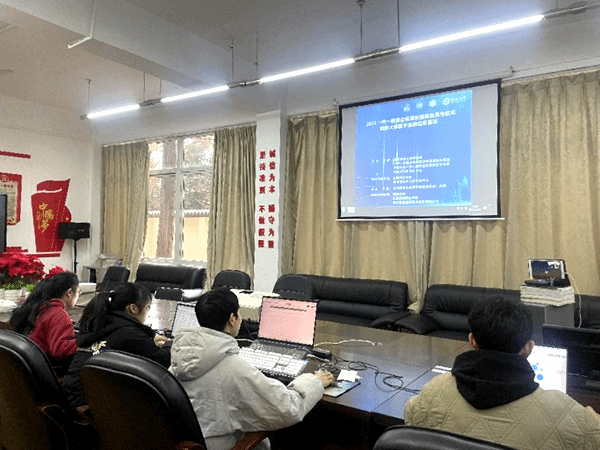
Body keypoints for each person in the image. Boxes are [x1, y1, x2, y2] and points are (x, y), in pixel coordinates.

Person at [404, 297, 600, 450]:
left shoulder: (435, 390)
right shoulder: (568, 414)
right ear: (528, 348)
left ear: (472, 340)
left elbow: (410, 417)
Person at [169, 288, 334, 450]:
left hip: (188, 444)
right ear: (232, 319)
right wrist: (314, 382)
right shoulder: (234, 368)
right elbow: (288, 409)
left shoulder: (178, 359)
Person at [61, 282, 170, 412]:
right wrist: (169, 344)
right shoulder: (130, 334)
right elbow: (165, 360)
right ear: (133, 309)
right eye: (147, 308)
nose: (148, 313)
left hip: (70, 399)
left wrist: (148, 339)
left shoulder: (100, 321)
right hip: (89, 409)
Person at [10, 271, 79, 371]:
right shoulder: (58, 314)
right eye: (78, 292)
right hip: (44, 371)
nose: (79, 295)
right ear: (69, 293)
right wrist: (84, 342)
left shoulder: (41, 307)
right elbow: (59, 351)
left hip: (28, 368)